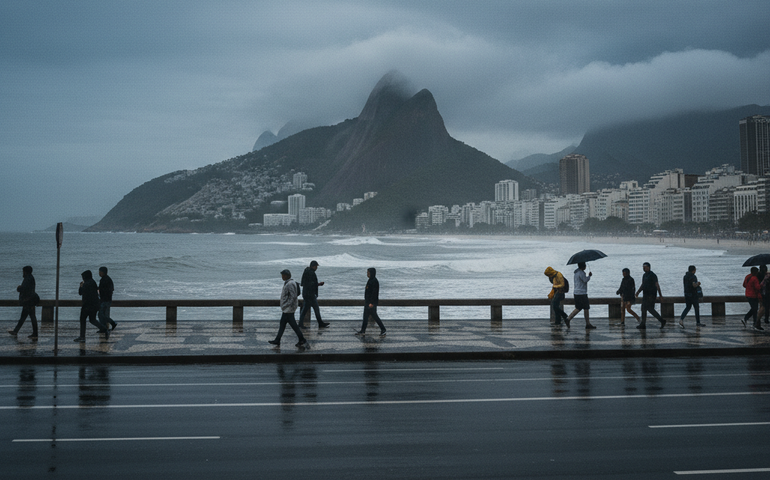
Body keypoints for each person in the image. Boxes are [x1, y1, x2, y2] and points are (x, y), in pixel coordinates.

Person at [268, 269, 308, 347]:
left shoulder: (290, 284)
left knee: (293, 326)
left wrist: (286, 305)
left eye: (283, 275)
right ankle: (278, 340)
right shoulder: (289, 283)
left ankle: (302, 339)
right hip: (288, 309)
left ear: (286, 275)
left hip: (289, 309)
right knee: (283, 324)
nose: (282, 277)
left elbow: (293, 296)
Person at [75, 270, 108, 342]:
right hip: (95, 305)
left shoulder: (86, 284)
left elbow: (81, 293)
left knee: (82, 320)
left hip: (87, 305)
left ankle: (82, 337)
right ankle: (104, 329)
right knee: (92, 319)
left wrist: (80, 286)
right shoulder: (93, 282)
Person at [8, 265, 38, 339]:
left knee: (27, 317)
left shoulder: (28, 279)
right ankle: (17, 331)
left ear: (25, 272)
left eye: (23, 271)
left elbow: (25, 289)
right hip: (30, 301)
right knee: (27, 317)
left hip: (28, 301)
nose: (23, 273)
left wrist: (19, 288)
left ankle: (17, 331)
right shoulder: (30, 278)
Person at [298, 260, 329, 328]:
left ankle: (301, 323)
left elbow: (303, 283)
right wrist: (319, 284)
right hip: (310, 295)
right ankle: (320, 323)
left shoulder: (306, 271)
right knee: (314, 309)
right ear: (313, 266)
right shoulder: (311, 273)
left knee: (307, 309)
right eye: (316, 266)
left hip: (306, 294)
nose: (316, 268)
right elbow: (311, 284)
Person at [635, 262, 666, 329]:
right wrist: (638, 292)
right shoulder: (644, 275)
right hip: (645, 295)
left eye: (645, 267)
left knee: (650, 309)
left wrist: (660, 295)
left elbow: (657, 285)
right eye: (643, 267)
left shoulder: (653, 275)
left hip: (651, 295)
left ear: (649, 267)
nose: (644, 268)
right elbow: (643, 284)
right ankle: (643, 324)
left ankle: (662, 320)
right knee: (643, 309)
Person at [356, 267, 386, 336]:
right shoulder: (370, 280)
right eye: (367, 273)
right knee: (365, 317)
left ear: (372, 273)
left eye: (368, 273)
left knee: (375, 317)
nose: (367, 274)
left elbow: (374, 293)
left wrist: (371, 303)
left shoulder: (374, 281)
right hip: (367, 302)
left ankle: (383, 329)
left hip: (371, 303)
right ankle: (363, 331)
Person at [566, 262, 595, 329]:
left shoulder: (576, 273)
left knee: (581, 307)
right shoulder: (581, 273)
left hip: (576, 293)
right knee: (584, 307)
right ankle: (569, 319)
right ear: (583, 266)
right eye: (585, 266)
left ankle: (587, 323)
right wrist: (589, 276)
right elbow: (585, 280)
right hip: (582, 293)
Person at [742, 266, 763, 330]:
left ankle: (748, 319)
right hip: (753, 295)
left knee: (754, 308)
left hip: (747, 294)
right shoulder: (755, 278)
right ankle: (750, 320)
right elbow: (758, 287)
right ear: (755, 272)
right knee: (755, 309)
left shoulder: (747, 277)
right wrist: (762, 284)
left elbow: (744, 285)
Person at [97, 266, 117, 331]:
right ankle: (104, 328)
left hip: (105, 300)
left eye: (100, 272)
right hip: (106, 299)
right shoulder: (107, 279)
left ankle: (112, 323)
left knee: (101, 315)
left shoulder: (105, 280)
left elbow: (106, 290)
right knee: (102, 314)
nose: (99, 273)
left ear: (103, 272)